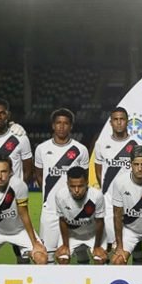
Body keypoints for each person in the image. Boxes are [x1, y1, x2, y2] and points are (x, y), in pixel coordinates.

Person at [34, 108, 90, 256]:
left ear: (71, 126)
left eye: (65, 123)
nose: (61, 126)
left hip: (74, 211)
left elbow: (85, 179)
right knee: (48, 254)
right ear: (53, 125)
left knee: (77, 254)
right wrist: (49, 194)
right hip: (50, 211)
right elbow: (39, 175)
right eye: (58, 123)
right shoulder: (42, 149)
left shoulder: (80, 150)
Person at [94, 106, 142, 253]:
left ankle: (137, 272)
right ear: (111, 122)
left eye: (122, 119)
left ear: (127, 121)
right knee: (112, 244)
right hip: (109, 201)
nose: (119, 122)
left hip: (132, 199)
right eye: (116, 119)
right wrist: (107, 189)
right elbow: (98, 170)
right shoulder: (101, 144)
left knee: (135, 245)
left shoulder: (137, 144)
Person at [52, 166, 108, 264]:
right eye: (72, 186)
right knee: (62, 258)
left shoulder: (97, 196)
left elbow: (100, 222)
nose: (77, 190)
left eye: (81, 186)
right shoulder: (60, 195)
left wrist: (97, 246)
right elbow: (62, 220)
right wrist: (65, 245)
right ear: (67, 184)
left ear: (87, 183)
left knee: (100, 259)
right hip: (72, 234)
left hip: (93, 234)